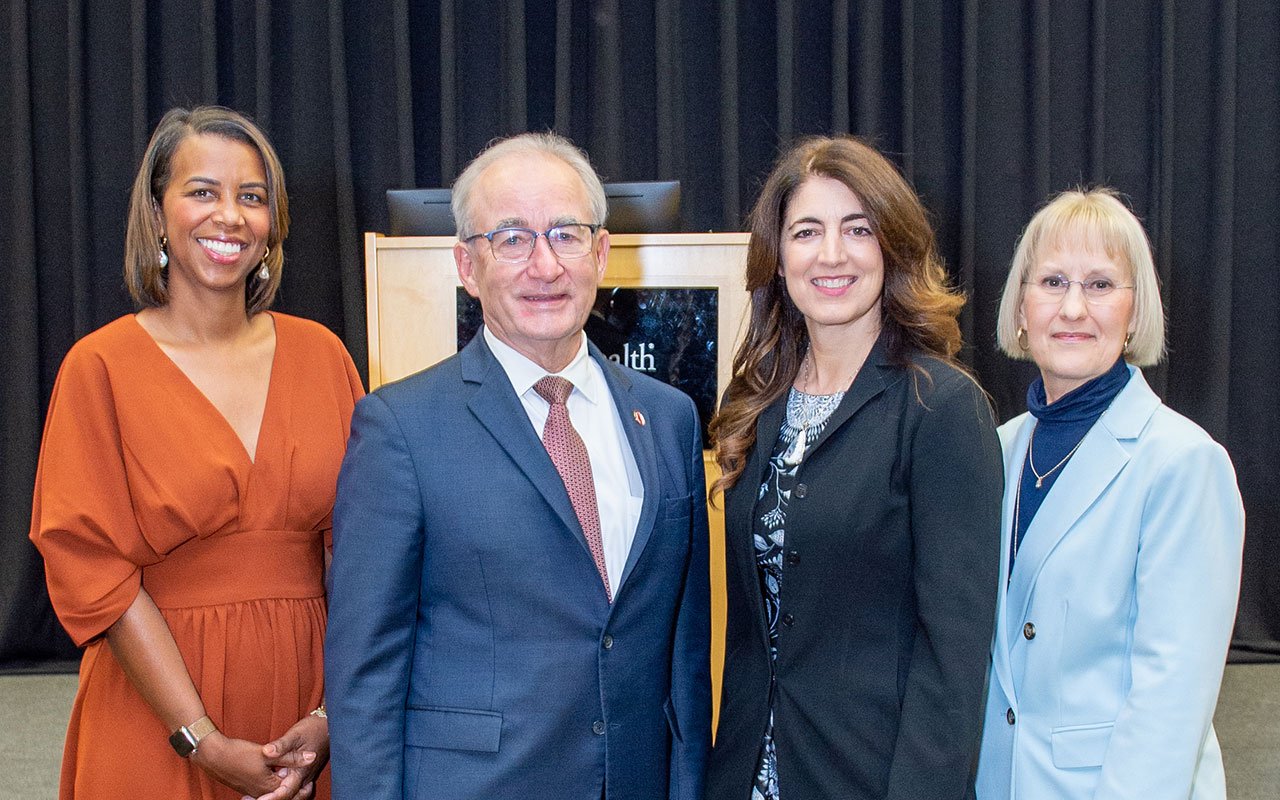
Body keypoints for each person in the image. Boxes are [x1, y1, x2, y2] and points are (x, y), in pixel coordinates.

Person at [324, 131, 711, 800]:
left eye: (565, 234)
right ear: (466, 266)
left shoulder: (669, 419)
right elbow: (365, 676)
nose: (544, 266)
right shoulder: (400, 429)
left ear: (601, 252)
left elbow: (684, 655)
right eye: (511, 239)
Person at [29, 106, 364, 799]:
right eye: (202, 192)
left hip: (305, 722)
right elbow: (94, 574)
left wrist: (333, 714)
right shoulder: (99, 368)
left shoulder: (323, 356)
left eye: (252, 197)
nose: (230, 216)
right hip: (155, 719)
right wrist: (199, 739)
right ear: (157, 214)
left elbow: (363, 553)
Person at [706, 136, 1003, 800]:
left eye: (857, 229)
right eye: (806, 231)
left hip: (870, 778)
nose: (831, 254)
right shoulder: (754, 400)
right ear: (778, 258)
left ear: (891, 247)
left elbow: (953, 658)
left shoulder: (941, 408)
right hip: (748, 772)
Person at [975, 188, 1245, 798]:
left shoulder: (1183, 464)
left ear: (1135, 311)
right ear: (1021, 308)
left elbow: (1171, 696)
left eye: (1100, 285)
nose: (1073, 307)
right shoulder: (996, 449)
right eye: (1051, 282)